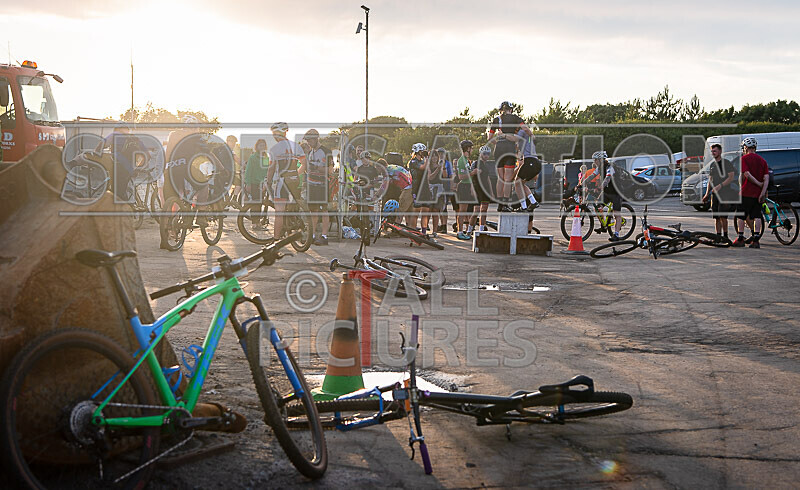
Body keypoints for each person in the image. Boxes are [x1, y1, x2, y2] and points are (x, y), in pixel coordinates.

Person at [488, 101, 531, 211]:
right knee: (508, 179)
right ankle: (505, 203)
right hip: (509, 148)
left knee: (500, 178)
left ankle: (499, 203)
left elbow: (489, 138)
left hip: (498, 149)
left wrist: (497, 143)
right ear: (511, 109)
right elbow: (525, 129)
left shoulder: (497, 119)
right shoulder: (515, 118)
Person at [265, 122, 306, 240]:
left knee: (279, 212)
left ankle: (276, 239)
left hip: (282, 181)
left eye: (274, 134)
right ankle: (295, 226)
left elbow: (271, 168)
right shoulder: (296, 146)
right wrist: (295, 174)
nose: (273, 136)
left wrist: (268, 182)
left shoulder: (275, 149)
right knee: (293, 205)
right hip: (295, 180)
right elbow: (304, 164)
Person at [733, 137, 769, 248]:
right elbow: (766, 178)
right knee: (757, 215)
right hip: (757, 194)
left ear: (745, 147)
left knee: (741, 215)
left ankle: (740, 238)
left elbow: (747, 174)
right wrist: (762, 192)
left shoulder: (744, 159)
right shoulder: (762, 161)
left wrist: (757, 183)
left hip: (745, 192)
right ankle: (756, 240)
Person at [303, 129, 334, 245]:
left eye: (310, 140)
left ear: (316, 139)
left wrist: (316, 167)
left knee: (323, 210)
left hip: (322, 185)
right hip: (311, 184)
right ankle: (312, 235)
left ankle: (324, 236)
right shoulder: (310, 152)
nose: (308, 143)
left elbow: (330, 171)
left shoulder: (326, 151)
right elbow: (307, 168)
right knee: (313, 211)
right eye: (307, 141)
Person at [702, 143, 736, 239]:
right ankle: (718, 237)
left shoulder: (726, 163)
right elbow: (710, 180)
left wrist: (720, 186)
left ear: (720, 151)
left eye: (715, 151)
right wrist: (706, 194)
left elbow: (731, 177)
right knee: (716, 217)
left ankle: (725, 236)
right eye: (712, 151)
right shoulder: (712, 165)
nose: (713, 153)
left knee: (723, 216)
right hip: (714, 195)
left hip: (725, 194)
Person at [468, 145, 497, 233]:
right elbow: (469, 175)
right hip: (477, 189)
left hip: (485, 190)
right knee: (476, 211)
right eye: (484, 154)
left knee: (484, 211)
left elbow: (488, 179)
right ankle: (469, 229)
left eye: (488, 154)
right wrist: (471, 188)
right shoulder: (475, 163)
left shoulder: (486, 165)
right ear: (480, 154)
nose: (486, 156)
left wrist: (491, 192)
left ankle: (481, 230)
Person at [596, 151, 624, 241]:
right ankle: (603, 226)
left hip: (616, 193)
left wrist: (601, 187)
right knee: (597, 207)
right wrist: (581, 185)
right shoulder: (599, 168)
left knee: (617, 214)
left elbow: (608, 178)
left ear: (601, 160)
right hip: (607, 192)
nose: (594, 162)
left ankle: (616, 234)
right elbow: (591, 176)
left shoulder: (610, 167)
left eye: (596, 160)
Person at [512, 127, 540, 212]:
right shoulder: (526, 139)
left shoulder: (521, 132)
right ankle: (533, 201)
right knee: (521, 184)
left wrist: (503, 135)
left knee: (517, 183)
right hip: (535, 162)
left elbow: (515, 138)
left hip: (530, 161)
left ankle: (524, 207)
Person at [379, 158, 414, 226]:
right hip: (412, 187)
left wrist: (376, 196)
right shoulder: (391, 167)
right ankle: (410, 227)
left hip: (407, 188)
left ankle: (396, 227)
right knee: (408, 211)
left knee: (400, 210)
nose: (378, 170)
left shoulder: (387, 171)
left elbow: (384, 186)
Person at [454, 140, 476, 240]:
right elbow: (461, 176)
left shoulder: (467, 160)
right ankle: (459, 231)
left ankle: (466, 230)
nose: (472, 150)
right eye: (471, 148)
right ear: (467, 148)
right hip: (463, 186)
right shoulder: (461, 160)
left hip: (468, 186)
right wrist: (472, 173)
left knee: (466, 210)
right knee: (462, 211)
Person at [408, 143, 428, 229]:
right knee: (416, 211)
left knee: (425, 212)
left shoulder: (422, 161)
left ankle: (423, 231)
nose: (423, 153)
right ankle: (413, 228)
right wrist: (427, 158)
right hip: (416, 188)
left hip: (423, 188)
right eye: (422, 151)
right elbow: (423, 167)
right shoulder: (413, 162)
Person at [226, 135, 242, 203]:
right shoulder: (229, 150)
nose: (233, 144)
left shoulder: (228, 150)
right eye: (232, 142)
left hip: (226, 172)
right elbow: (238, 160)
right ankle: (234, 199)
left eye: (234, 142)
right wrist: (246, 165)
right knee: (239, 184)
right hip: (226, 173)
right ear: (227, 141)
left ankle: (231, 200)